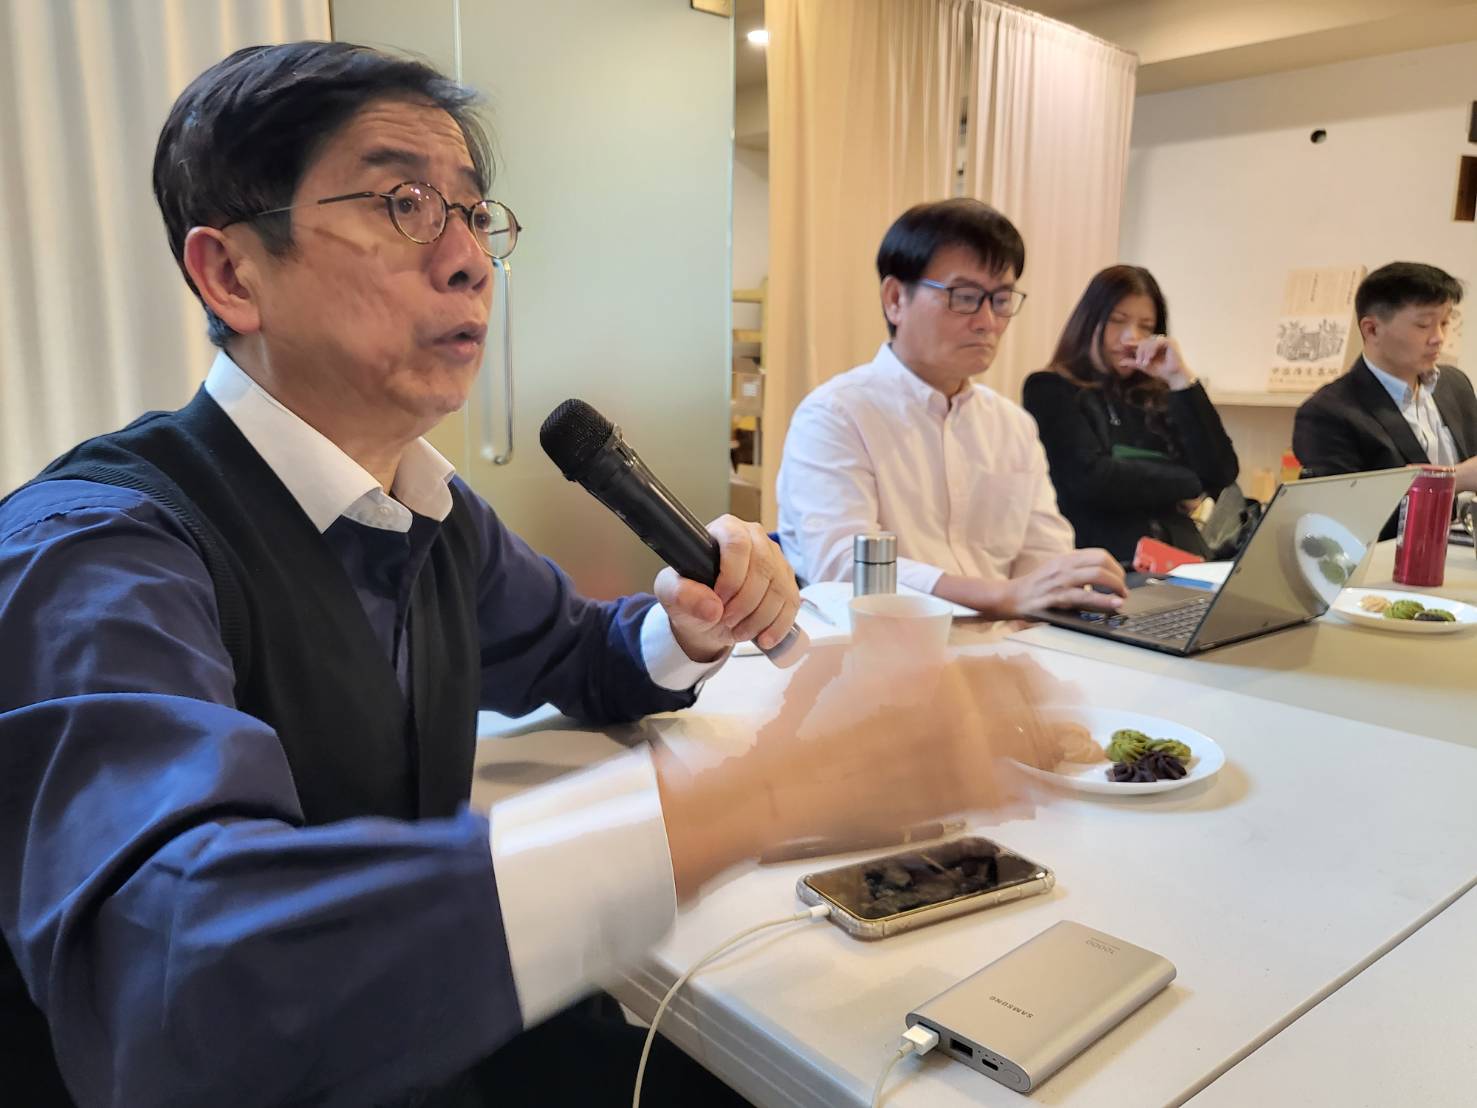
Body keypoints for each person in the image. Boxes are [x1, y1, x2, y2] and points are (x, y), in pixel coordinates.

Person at [0, 43, 1067, 1108]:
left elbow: (577, 650)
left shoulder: (429, 508)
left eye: (474, 215)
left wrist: (687, 626)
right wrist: (762, 795)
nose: (469, 260)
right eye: (404, 204)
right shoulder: (98, 545)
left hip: (443, 1035)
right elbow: (184, 978)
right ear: (233, 274)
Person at [777, 199, 1127, 618]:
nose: (987, 322)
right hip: (882, 642)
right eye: (964, 297)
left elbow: (1044, 555)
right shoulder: (836, 414)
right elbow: (843, 567)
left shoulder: (1012, 425)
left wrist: (1064, 583)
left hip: (1012, 642)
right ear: (895, 299)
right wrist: (1002, 596)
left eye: (1001, 300)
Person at [1021, 265, 1239, 563]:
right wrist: (1190, 483)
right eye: (1117, 320)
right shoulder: (1050, 388)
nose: (1131, 337)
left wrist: (1180, 380)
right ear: (1089, 320)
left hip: (1185, 561)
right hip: (1108, 563)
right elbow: (1092, 478)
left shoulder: (1158, 394)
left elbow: (1221, 472)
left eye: (1146, 327)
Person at [1294, 262, 1477, 538]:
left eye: (1444, 323)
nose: (1438, 338)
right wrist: (1454, 479)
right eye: (1423, 325)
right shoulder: (1327, 413)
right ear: (1372, 330)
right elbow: (1345, 520)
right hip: (1393, 560)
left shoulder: (1454, 384)